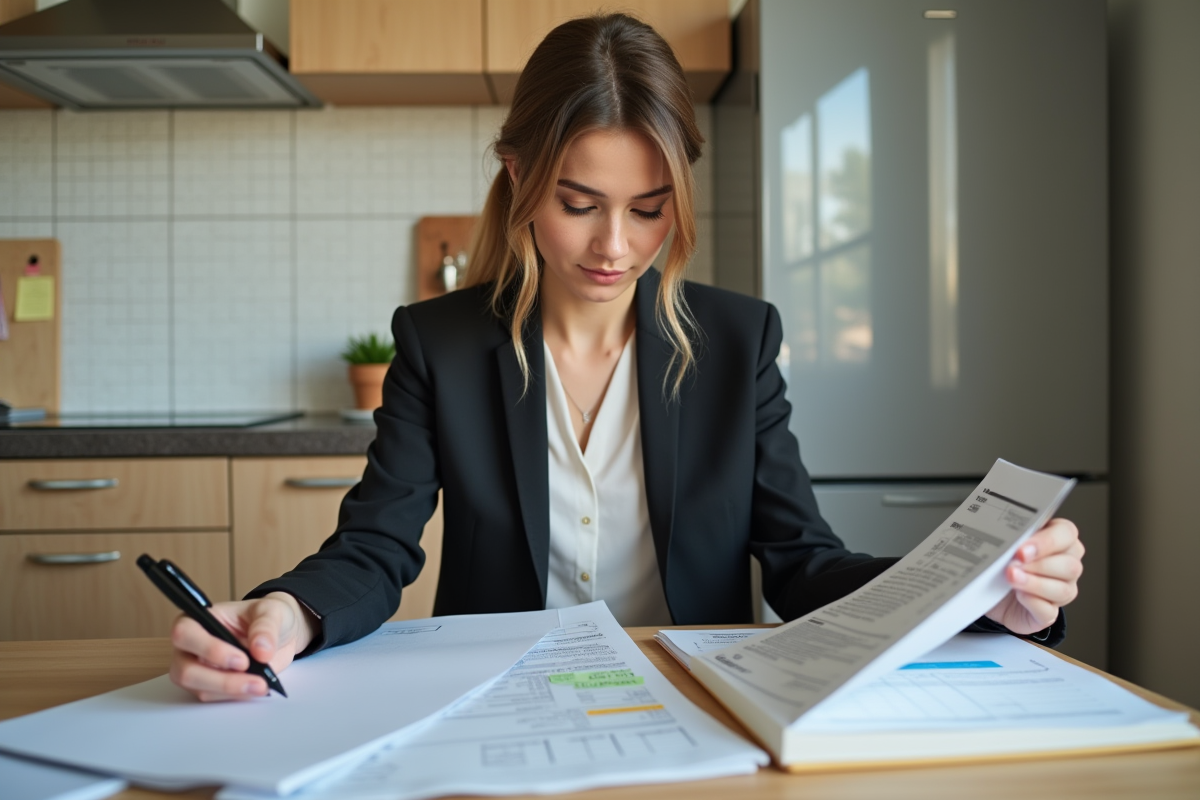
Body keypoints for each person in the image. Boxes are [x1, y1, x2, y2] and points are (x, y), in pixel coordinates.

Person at [169, 14, 1085, 702]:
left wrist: (974, 596)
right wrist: (286, 613)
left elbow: (804, 564)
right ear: (520, 178)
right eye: (579, 203)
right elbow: (375, 547)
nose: (615, 245)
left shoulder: (738, 341)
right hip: (499, 702)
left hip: (698, 701)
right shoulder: (439, 343)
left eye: (649, 209)